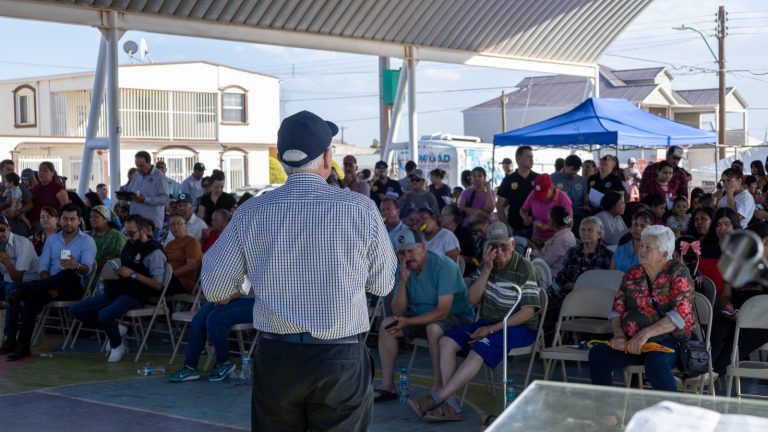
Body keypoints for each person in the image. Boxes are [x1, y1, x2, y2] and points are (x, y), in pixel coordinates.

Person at [201, 110, 396, 431]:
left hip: (277, 355)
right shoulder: (361, 209)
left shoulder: (251, 211)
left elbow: (215, 288)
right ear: (327, 157)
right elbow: (382, 284)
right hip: (340, 355)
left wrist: (251, 282)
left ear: (280, 159)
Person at [409, 222, 541, 421]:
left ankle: (438, 397)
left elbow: (529, 312)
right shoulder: (488, 264)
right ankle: (451, 405)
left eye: (504, 246)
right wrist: (486, 269)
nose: (499, 251)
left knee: (479, 347)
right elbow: (471, 300)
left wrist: (491, 329)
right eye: (493, 247)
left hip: (518, 327)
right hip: (489, 322)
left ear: (513, 245)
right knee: (446, 342)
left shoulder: (524, 267)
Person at [589, 225, 694, 391]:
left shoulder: (678, 272)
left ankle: (669, 407)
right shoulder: (633, 273)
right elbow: (617, 309)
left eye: (648, 247)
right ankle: (606, 407)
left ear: (664, 254)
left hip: (668, 341)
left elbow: (678, 315)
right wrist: (619, 335)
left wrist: (643, 335)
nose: (641, 250)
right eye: (641, 245)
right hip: (633, 342)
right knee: (598, 354)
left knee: (656, 362)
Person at [375, 228, 474, 402]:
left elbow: (443, 311)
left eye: (410, 250)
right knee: (386, 326)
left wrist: (408, 321)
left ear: (422, 246)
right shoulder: (402, 268)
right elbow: (398, 312)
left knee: (433, 328)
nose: (407, 256)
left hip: (457, 318)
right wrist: (403, 282)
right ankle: (387, 386)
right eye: (402, 253)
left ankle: (439, 386)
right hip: (420, 318)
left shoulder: (443, 265)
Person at [67, 215, 167, 363]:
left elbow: (158, 285)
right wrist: (115, 272)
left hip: (137, 295)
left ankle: (117, 345)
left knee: (105, 314)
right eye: (125, 233)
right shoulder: (129, 245)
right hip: (118, 290)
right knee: (74, 310)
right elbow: (123, 268)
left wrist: (133, 274)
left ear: (144, 230)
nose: (128, 237)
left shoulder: (154, 252)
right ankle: (116, 329)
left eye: (131, 233)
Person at [4, 204, 96, 360]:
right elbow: (43, 267)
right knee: (32, 299)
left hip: (72, 287)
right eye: (65, 219)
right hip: (48, 286)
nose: (68, 223)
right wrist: (49, 283)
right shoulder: (53, 240)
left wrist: (77, 265)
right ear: (60, 220)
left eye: (72, 219)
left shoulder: (87, 241)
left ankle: (22, 288)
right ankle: (23, 346)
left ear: (79, 220)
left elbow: (87, 269)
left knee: (68, 273)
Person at [710, 223, 768, 376]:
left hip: (761, 321)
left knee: (734, 345)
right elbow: (725, 294)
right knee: (716, 331)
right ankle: (702, 368)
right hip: (734, 314)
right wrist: (726, 306)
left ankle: (713, 373)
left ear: (765, 241)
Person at [169, 283, 255, 383]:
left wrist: (228, 297)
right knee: (198, 320)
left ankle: (224, 362)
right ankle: (189, 367)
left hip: (255, 301)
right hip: (232, 296)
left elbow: (251, 285)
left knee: (215, 319)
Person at [0, 216, 40, 355]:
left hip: (27, 282)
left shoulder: (22, 243)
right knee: (8, 287)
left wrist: (7, 262)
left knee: (12, 290)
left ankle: (10, 337)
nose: (0, 234)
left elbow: (18, 278)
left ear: (9, 228)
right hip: (7, 281)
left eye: (2, 229)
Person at [553, 217, 613, 301]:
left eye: (590, 230)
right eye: (582, 230)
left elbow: (609, 283)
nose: (585, 233)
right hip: (569, 296)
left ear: (599, 234)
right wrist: (576, 287)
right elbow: (560, 277)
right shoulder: (572, 251)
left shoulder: (608, 255)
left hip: (595, 299)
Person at [124, 151, 169, 239]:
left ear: (149, 163)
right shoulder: (137, 174)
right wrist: (124, 196)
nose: (139, 169)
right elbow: (130, 190)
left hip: (150, 225)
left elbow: (164, 199)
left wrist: (145, 199)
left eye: (141, 166)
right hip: (135, 223)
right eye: (137, 166)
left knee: (149, 247)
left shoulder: (159, 177)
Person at [496, 146, 539, 238]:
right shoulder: (508, 180)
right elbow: (499, 205)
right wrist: (506, 227)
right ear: (518, 159)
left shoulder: (538, 178)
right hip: (515, 228)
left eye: (532, 157)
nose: (531, 159)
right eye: (528, 156)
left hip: (537, 229)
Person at [521, 173, 573, 245]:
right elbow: (523, 210)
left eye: (543, 194)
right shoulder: (533, 194)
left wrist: (550, 228)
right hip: (536, 238)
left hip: (555, 240)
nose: (540, 198)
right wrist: (525, 217)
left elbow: (569, 223)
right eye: (538, 194)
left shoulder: (562, 199)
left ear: (551, 187)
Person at [699, 207, 740, 295]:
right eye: (718, 225)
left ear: (734, 226)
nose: (722, 228)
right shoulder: (705, 249)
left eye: (727, 224)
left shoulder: (742, 248)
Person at [530, 206, 577, 276]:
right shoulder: (565, 234)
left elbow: (545, 263)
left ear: (553, 222)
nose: (547, 219)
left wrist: (533, 250)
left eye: (549, 218)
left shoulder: (563, 239)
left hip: (551, 276)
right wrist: (542, 242)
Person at [164, 213, 203, 295]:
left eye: (179, 223)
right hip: (166, 278)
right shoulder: (169, 245)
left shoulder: (191, 241)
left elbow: (191, 265)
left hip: (182, 281)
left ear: (186, 226)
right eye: (172, 224)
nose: (175, 227)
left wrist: (172, 275)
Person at [551, 155, 588, 228]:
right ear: (565, 166)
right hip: (561, 216)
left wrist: (585, 203)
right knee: (565, 232)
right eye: (571, 172)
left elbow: (585, 196)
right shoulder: (553, 179)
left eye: (576, 172)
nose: (573, 175)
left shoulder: (582, 180)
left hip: (577, 215)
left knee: (576, 233)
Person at [439, 204, 476, 275]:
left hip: (464, 270)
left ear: (451, 217)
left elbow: (472, 258)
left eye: (442, 216)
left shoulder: (465, 233)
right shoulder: (442, 232)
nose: (440, 218)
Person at [87, 205, 126, 274]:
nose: (92, 219)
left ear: (106, 219)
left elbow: (121, 258)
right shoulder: (87, 235)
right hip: (87, 273)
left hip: (109, 275)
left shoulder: (117, 236)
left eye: (96, 216)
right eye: (91, 217)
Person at [29, 161, 68, 230]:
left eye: (45, 171)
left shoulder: (58, 189)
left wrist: (59, 221)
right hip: (32, 222)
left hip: (49, 224)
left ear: (52, 173)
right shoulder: (35, 188)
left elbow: (66, 208)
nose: (41, 173)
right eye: (40, 170)